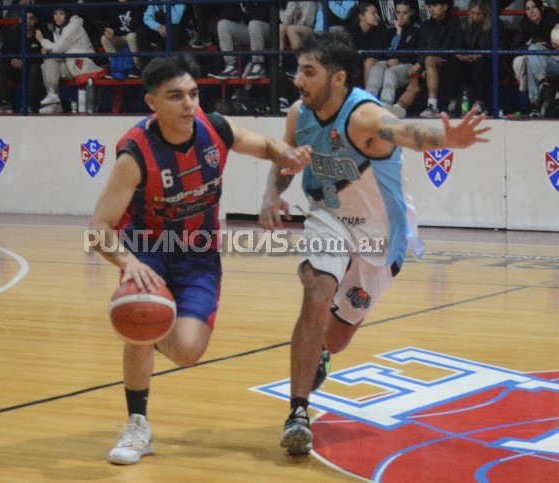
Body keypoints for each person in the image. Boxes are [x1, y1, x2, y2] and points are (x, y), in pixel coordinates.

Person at [258, 29, 489, 456]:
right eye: (298, 71)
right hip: (328, 217)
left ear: (339, 78)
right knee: (316, 292)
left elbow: (406, 133)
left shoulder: (363, 115)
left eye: (309, 72)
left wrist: (448, 139)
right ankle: (298, 412)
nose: (298, 80)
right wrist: (273, 194)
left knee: (339, 336)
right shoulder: (299, 114)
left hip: (380, 235)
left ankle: (322, 354)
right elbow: (285, 158)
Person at [88, 53, 311, 466]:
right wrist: (127, 264)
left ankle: (146, 330)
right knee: (141, 313)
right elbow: (99, 227)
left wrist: (287, 155)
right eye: (176, 97)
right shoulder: (134, 155)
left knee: (188, 351)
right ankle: (138, 423)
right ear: (152, 103)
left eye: (193, 94)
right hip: (148, 249)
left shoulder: (216, 128)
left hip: (198, 254)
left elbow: (263, 145)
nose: (189, 104)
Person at [35, 8, 104, 114]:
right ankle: (54, 102)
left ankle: (53, 96)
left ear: (67, 15)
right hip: (70, 63)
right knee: (46, 64)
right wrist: (49, 50)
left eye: (61, 14)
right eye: (55, 13)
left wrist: (42, 41)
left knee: (48, 62)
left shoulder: (72, 27)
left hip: (82, 65)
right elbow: (58, 51)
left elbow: (57, 49)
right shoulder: (59, 29)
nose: (57, 17)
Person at [444, 0, 504, 118]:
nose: (475, 16)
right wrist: (459, 54)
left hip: (487, 62)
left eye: (478, 14)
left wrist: (479, 56)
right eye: (472, 13)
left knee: (480, 64)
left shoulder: (496, 24)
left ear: (485, 14)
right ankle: (453, 103)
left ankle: (479, 104)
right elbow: (457, 45)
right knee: (451, 63)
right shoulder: (463, 24)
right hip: (466, 62)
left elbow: (499, 48)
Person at [365, 0, 421, 117]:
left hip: (408, 65)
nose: (400, 16)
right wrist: (399, 33)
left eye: (404, 13)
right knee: (377, 67)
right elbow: (389, 52)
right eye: (398, 12)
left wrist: (398, 60)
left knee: (390, 73)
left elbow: (414, 54)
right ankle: (369, 100)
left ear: (411, 12)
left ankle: (385, 104)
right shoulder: (391, 29)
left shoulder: (417, 29)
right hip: (392, 62)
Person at [0, 9, 44, 113]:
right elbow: (6, 51)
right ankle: (5, 103)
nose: (28, 21)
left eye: (31, 19)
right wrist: (12, 60)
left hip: (32, 69)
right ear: (20, 20)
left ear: (36, 20)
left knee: (36, 67)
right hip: (16, 68)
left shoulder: (41, 34)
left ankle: (29, 104)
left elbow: (42, 56)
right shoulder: (13, 33)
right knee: (1, 67)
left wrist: (25, 63)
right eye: (25, 18)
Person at [415, 0, 460, 118]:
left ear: (445, 7)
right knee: (427, 62)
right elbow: (421, 49)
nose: (431, 9)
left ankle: (432, 105)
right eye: (429, 6)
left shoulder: (454, 23)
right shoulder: (425, 25)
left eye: (435, 5)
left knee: (429, 59)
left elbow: (457, 46)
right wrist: (422, 66)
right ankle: (397, 107)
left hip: (448, 62)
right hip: (429, 63)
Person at [207, 2, 271, 80]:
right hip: (251, 29)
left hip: (270, 29)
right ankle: (231, 66)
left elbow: (262, 15)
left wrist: (248, 4)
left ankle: (258, 64)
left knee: (254, 24)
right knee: (223, 24)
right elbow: (226, 14)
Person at [347, 1, 390, 87]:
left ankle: (367, 97)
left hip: (378, 60)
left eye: (377, 13)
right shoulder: (352, 31)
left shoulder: (381, 28)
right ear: (362, 17)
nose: (377, 17)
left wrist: (360, 54)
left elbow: (375, 52)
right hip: (358, 61)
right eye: (373, 14)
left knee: (368, 61)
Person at [135, 0, 191, 65]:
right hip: (163, 32)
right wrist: (158, 27)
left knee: (172, 29)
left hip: (181, 34)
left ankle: (170, 66)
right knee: (141, 30)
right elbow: (147, 18)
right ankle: (146, 66)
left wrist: (166, 2)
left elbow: (175, 20)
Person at [101, 0, 144, 79]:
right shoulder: (114, 6)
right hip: (119, 36)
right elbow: (109, 24)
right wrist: (108, 32)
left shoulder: (136, 4)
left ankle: (136, 67)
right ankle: (115, 66)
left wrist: (115, 32)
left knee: (130, 36)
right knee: (104, 39)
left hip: (132, 36)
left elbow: (136, 27)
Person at [526, 22, 559, 117]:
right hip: (550, 62)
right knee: (532, 50)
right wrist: (551, 45)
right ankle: (543, 84)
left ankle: (535, 104)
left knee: (530, 62)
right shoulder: (548, 20)